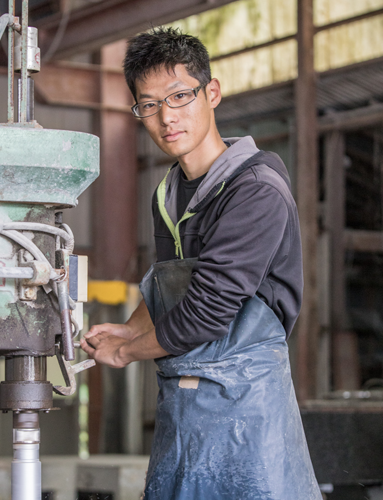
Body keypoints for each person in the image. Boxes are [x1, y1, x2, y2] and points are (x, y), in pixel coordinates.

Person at [81, 27, 322, 500]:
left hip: (246, 410)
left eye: (179, 96)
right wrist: (128, 330)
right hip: (185, 413)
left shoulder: (255, 190)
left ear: (211, 92)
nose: (166, 117)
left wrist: (128, 352)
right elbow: (171, 288)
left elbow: (208, 311)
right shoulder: (167, 194)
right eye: (149, 105)